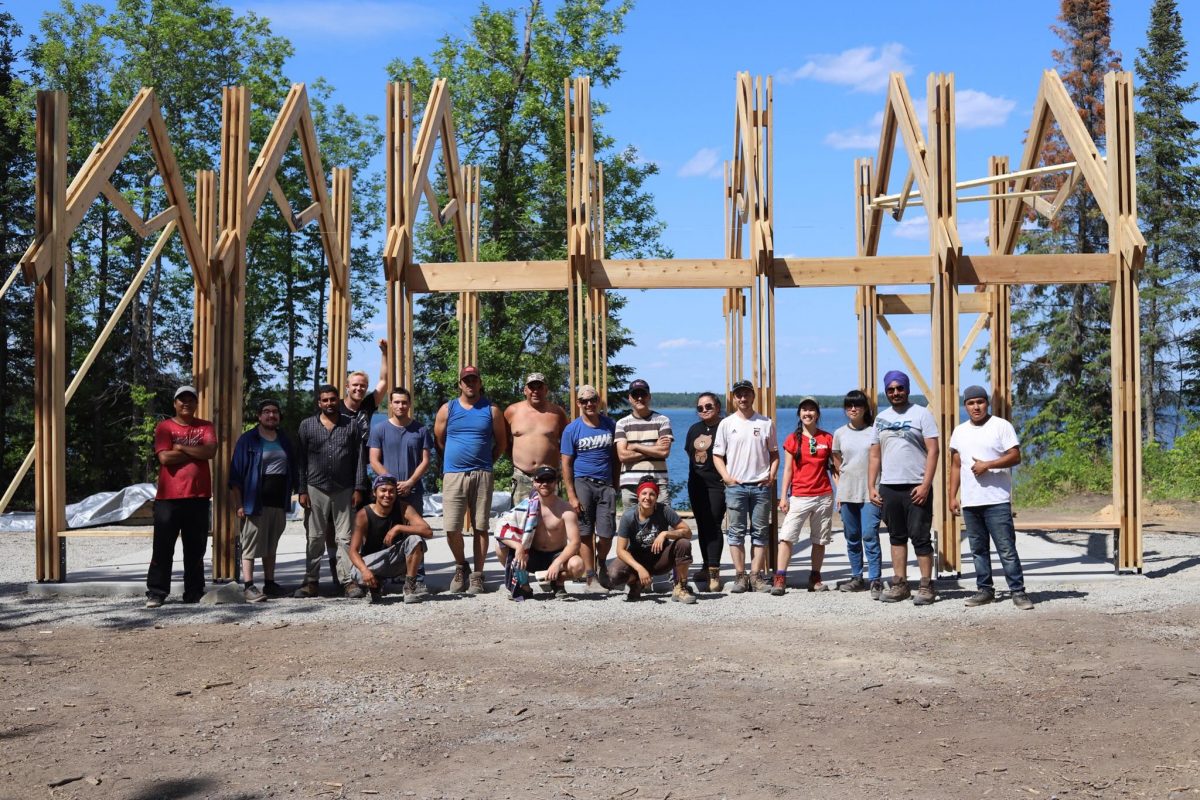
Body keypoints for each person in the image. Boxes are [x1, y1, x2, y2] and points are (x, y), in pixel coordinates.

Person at [949, 385, 1034, 610]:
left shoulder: (1001, 426)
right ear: (965, 406)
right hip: (971, 501)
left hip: (996, 499)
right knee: (978, 549)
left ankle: (1018, 591)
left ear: (986, 403)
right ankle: (984, 590)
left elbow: (1015, 456)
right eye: (971, 403)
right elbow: (956, 465)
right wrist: (952, 495)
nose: (976, 407)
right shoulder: (959, 431)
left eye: (980, 402)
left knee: (1006, 548)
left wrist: (989, 465)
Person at [434, 365, 507, 595]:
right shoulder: (447, 409)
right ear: (460, 384)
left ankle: (477, 575)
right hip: (454, 473)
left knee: (481, 527)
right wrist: (455, 459)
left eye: (473, 379)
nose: (470, 384)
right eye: (466, 380)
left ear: (480, 382)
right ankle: (460, 566)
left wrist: (486, 462)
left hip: (482, 473)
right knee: (451, 527)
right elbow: (439, 440)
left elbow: (501, 443)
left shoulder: (492, 410)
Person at [868, 370, 939, 605]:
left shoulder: (921, 415)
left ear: (907, 389)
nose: (895, 393)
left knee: (920, 537)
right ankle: (900, 584)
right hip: (890, 486)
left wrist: (926, 485)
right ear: (886, 391)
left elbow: (933, 451)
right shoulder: (881, 418)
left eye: (899, 388)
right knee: (896, 537)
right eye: (891, 389)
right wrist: (872, 486)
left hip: (916, 487)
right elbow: (875, 456)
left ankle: (927, 585)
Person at [145, 385, 218, 608]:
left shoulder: (206, 426)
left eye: (190, 399)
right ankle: (157, 592)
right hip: (168, 498)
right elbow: (165, 458)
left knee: (196, 548)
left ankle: (194, 592)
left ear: (196, 403)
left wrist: (182, 448)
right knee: (163, 547)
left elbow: (210, 452)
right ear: (174, 403)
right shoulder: (164, 427)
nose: (186, 403)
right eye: (181, 399)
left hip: (199, 496)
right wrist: (194, 450)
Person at [294, 384, 367, 598]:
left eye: (333, 399)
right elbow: (301, 461)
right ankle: (311, 582)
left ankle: (348, 581)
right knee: (315, 537)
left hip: (344, 488)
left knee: (344, 538)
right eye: (324, 400)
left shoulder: (351, 425)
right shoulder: (307, 426)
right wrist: (301, 489)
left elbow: (359, 459)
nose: (329, 403)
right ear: (319, 403)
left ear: (338, 400)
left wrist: (359, 488)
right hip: (315, 487)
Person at [228, 398, 298, 601]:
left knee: (271, 544)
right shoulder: (248, 440)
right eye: (266, 412)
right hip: (254, 502)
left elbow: (292, 468)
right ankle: (249, 586)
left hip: (278, 501)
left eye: (275, 412)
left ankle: (270, 583)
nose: (271, 415)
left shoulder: (284, 439)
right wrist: (239, 504)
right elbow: (236, 475)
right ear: (259, 416)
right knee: (250, 544)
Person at [713, 379, 778, 594]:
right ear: (733, 398)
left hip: (760, 487)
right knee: (736, 533)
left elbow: (774, 454)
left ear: (753, 396)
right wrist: (727, 478)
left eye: (746, 394)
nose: (743, 398)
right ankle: (740, 576)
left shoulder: (765, 422)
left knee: (760, 533)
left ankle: (756, 576)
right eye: (738, 394)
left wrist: (771, 475)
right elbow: (717, 456)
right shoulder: (726, 424)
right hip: (736, 487)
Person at [494, 466, 587, 599]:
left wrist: (557, 563)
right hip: (532, 555)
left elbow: (575, 543)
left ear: (556, 482)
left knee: (578, 565)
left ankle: (558, 582)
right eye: (540, 480)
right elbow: (502, 528)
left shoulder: (566, 509)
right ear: (534, 482)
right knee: (500, 548)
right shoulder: (525, 506)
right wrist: (519, 547)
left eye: (549, 480)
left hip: (556, 555)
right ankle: (524, 585)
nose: (544, 484)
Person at [774, 396, 837, 594]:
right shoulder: (792, 439)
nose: (807, 413)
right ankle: (780, 577)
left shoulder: (827, 438)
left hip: (823, 496)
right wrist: (783, 496)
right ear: (799, 414)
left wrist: (840, 492)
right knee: (787, 537)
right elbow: (788, 470)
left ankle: (815, 577)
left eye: (811, 410)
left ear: (817, 414)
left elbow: (835, 468)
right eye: (804, 410)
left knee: (819, 539)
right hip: (800, 496)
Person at [560, 384, 618, 591]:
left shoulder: (610, 425)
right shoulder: (572, 429)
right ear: (578, 404)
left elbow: (616, 457)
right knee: (585, 532)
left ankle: (601, 561)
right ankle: (591, 576)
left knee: (606, 533)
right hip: (582, 482)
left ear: (599, 401)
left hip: (606, 485)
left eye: (593, 399)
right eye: (584, 401)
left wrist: (616, 484)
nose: (589, 404)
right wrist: (572, 496)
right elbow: (566, 463)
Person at [345, 474, 433, 604]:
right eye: (383, 490)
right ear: (375, 493)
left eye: (391, 491)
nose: (387, 494)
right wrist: (365, 571)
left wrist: (399, 527)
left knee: (415, 539)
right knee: (356, 572)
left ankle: (409, 587)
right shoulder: (363, 514)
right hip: (375, 561)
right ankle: (375, 585)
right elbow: (353, 551)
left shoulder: (404, 508)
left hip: (396, 558)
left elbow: (428, 531)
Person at [608, 478, 697, 604]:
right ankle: (636, 583)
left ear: (656, 497)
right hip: (638, 558)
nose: (647, 498)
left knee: (683, 543)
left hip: (660, 559)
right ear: (638, 496)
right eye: (644, 494)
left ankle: (681, 587)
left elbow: (687, 532)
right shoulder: (628, 517)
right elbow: (620, 550)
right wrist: (639, 568)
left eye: (652, 494)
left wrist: (666, 533)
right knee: (613, 574)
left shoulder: (664, 511)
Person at [832, 389, 884, 599]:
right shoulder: (839, 434)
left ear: (865, 408)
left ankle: (875, 579)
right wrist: (839, 491)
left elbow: (880, 461)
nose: (853, 409)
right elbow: (837, 465)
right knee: (852, 537)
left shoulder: (874, 432)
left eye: (857, 405)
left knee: (870, 535)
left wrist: (878, 489)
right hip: (847, 493)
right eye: (849, 406)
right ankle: (856, 577)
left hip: (870, 492)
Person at [504, 372, 569, 508]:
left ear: (546, 390)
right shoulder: (512, 411)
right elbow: (504, 442)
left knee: (552, 521)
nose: (535, 391)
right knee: (520, 523)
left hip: (550, 477)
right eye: (532, 387)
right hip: (522, 477)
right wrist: (518, 459)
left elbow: (567, 444)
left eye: (539, 387)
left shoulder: (558, 413)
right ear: (525, 390)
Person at [685, 392, 726, 592]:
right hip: (696, 485)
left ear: (717, 407)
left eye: (708, 406)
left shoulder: (725, 427)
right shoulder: (694, 429)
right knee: (702, 526)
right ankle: (705, 566)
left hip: (717, 485)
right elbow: (690, 454)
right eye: (700, 407)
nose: (704, 410)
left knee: (714, 525)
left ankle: (714, 572)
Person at [368, 387, 433, 512]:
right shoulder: (379, 429)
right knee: (387, 529)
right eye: (397, 402)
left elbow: (425, 461)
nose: (400, 406)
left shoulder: (421, 430)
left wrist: (410, 483)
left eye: (404, 402)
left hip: (413, 490)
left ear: (409, 404)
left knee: (415, 529)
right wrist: (391, 483)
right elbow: (374, 460)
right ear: (391, 404)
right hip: (386, 491)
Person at [614, 379, 673, 505]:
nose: (639, 398)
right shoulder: (622, 424)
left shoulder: (662, 421)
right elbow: (623, 456)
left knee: (661, 523)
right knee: (632, 524)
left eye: (643, 394)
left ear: (649, 397)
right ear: (630, 398)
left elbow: (664, 452)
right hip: (630, 485)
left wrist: (635, 446)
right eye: (635, 395)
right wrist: (653, 448)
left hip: (658, 482)